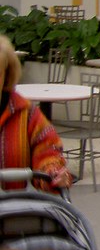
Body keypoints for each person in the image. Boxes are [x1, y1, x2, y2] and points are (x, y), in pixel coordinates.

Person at [0, 36, 72, 194]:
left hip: (13, 213)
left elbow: (48, 153)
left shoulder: (27, 115)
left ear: (6, 75)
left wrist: (54, 172)